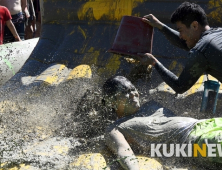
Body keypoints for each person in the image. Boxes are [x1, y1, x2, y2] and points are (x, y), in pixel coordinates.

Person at [103, 76, 222, 169]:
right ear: (112, 102)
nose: (133, 94)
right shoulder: (115, 128)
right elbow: (123, 150)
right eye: (125, 92)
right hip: (194, 140)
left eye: (133, 89)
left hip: (209, 124)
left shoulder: (151, 105)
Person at [134, 2, 222, 94]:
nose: (180, 36)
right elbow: (187, 44)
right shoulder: (218, 33)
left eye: (181, 30)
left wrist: (154, 62)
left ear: (194, 25)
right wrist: (159, 25)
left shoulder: (201, 51)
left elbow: (179, 86)